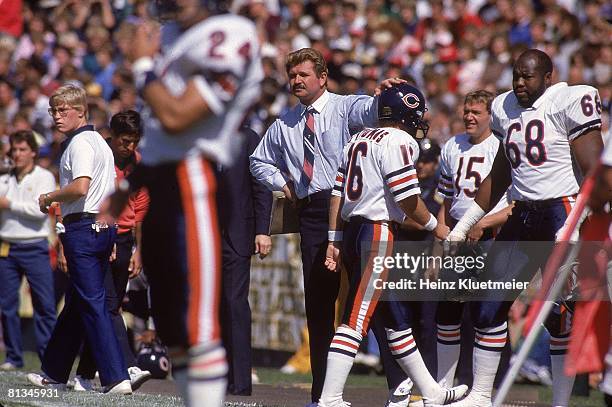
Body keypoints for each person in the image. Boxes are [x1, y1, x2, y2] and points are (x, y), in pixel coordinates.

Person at [101, 1, 264, 406]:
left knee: (198, 323)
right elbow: (161, 131)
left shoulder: (231, 35)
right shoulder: (174, 35)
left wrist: (142, 67)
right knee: (173, 326)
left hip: (197, 182)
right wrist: (132, 182)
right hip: (161, 182)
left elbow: (177, 117)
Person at [444, 49, 603, 406]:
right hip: (523, 215)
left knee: (563, 311)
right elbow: (501, 172)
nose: (519, 83)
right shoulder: (503, 108)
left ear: (548, 77)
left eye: (527, 76)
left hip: (561, 213)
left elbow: (594, 169)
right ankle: (482, 394)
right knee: (488, 306)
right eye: (516, 75)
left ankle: (561, 402)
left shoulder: (568, 100)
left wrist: (577, 222)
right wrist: (465, 223)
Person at [250, 46, 407, 405]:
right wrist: (283, 183)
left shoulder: (342, 106)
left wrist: (383, 94)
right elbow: (257, 161)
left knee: (374, 299)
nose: (296, 81)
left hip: (352, 210)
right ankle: (323, 395)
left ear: (322, 78)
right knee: (319, 306)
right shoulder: (284, 122)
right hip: (312, 212)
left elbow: (369, 109)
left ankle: (399, 387)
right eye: (292, 76)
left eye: (303, 75)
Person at [319, 83, 467, 407]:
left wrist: (335, 238)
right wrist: (435, 227)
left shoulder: (357, 138)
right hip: (377, 233)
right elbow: (407, 199)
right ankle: (329, 398)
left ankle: (431, 390)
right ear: (406, 111)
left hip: (356, 231)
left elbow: (337, 194)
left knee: (395, 319)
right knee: (355, 319)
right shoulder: (400, 140)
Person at [27, 83, 131, 394]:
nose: (56, 116)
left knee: (92, 304)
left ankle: (116, 377)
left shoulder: (80, 144)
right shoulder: (100, 142)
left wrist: (48, 196)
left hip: (84, 229)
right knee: (76, 302)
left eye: (63, 110)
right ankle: (54, 372)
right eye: (53, 110)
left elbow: (80, 187)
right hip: (100, 226)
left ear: (81, 112)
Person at [434, 90, 513, 389]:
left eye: (477, 112)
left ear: (491, 117)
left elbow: (516, 203)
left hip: (491, 237)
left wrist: (484, 223)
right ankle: (442, 387)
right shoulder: (452, 145)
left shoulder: (502, 148)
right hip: (457, 238)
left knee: (487, 315)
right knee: (448, 314)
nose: (469, 116)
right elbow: (445, 200)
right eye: (467, 110)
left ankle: (483, 389)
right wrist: (442, 237)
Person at [72, 110, 152, 391]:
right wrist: (103, 238)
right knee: (107, 308)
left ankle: (82, 375)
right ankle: (127, 366)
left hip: (125, 240)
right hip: (99, 235)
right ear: (113, 136)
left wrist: (139, 250)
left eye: (134, 141)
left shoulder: (138, 163)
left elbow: (141, 209)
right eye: (124, 141)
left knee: (108, 307)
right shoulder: (99, 158)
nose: (129, 147)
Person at [216, 126, 273, 395]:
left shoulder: (249, 138)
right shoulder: (198, 138)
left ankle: (239, 382)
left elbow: (261, 187)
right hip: (205, 235)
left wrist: (262, 230)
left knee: (234, 304)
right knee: (212, 307)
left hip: (237, 234)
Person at [0, 130, 56, 370]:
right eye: (14, 149)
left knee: (44, 305)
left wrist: (9, 205)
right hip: (7, 247)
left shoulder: (44, 177)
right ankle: (13, 356)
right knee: (7, 305)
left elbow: (39, 210)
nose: (18, 154)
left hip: (35, 246)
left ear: (33, 152)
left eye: (23, 149)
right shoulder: (4, 179)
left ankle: (50, 361)